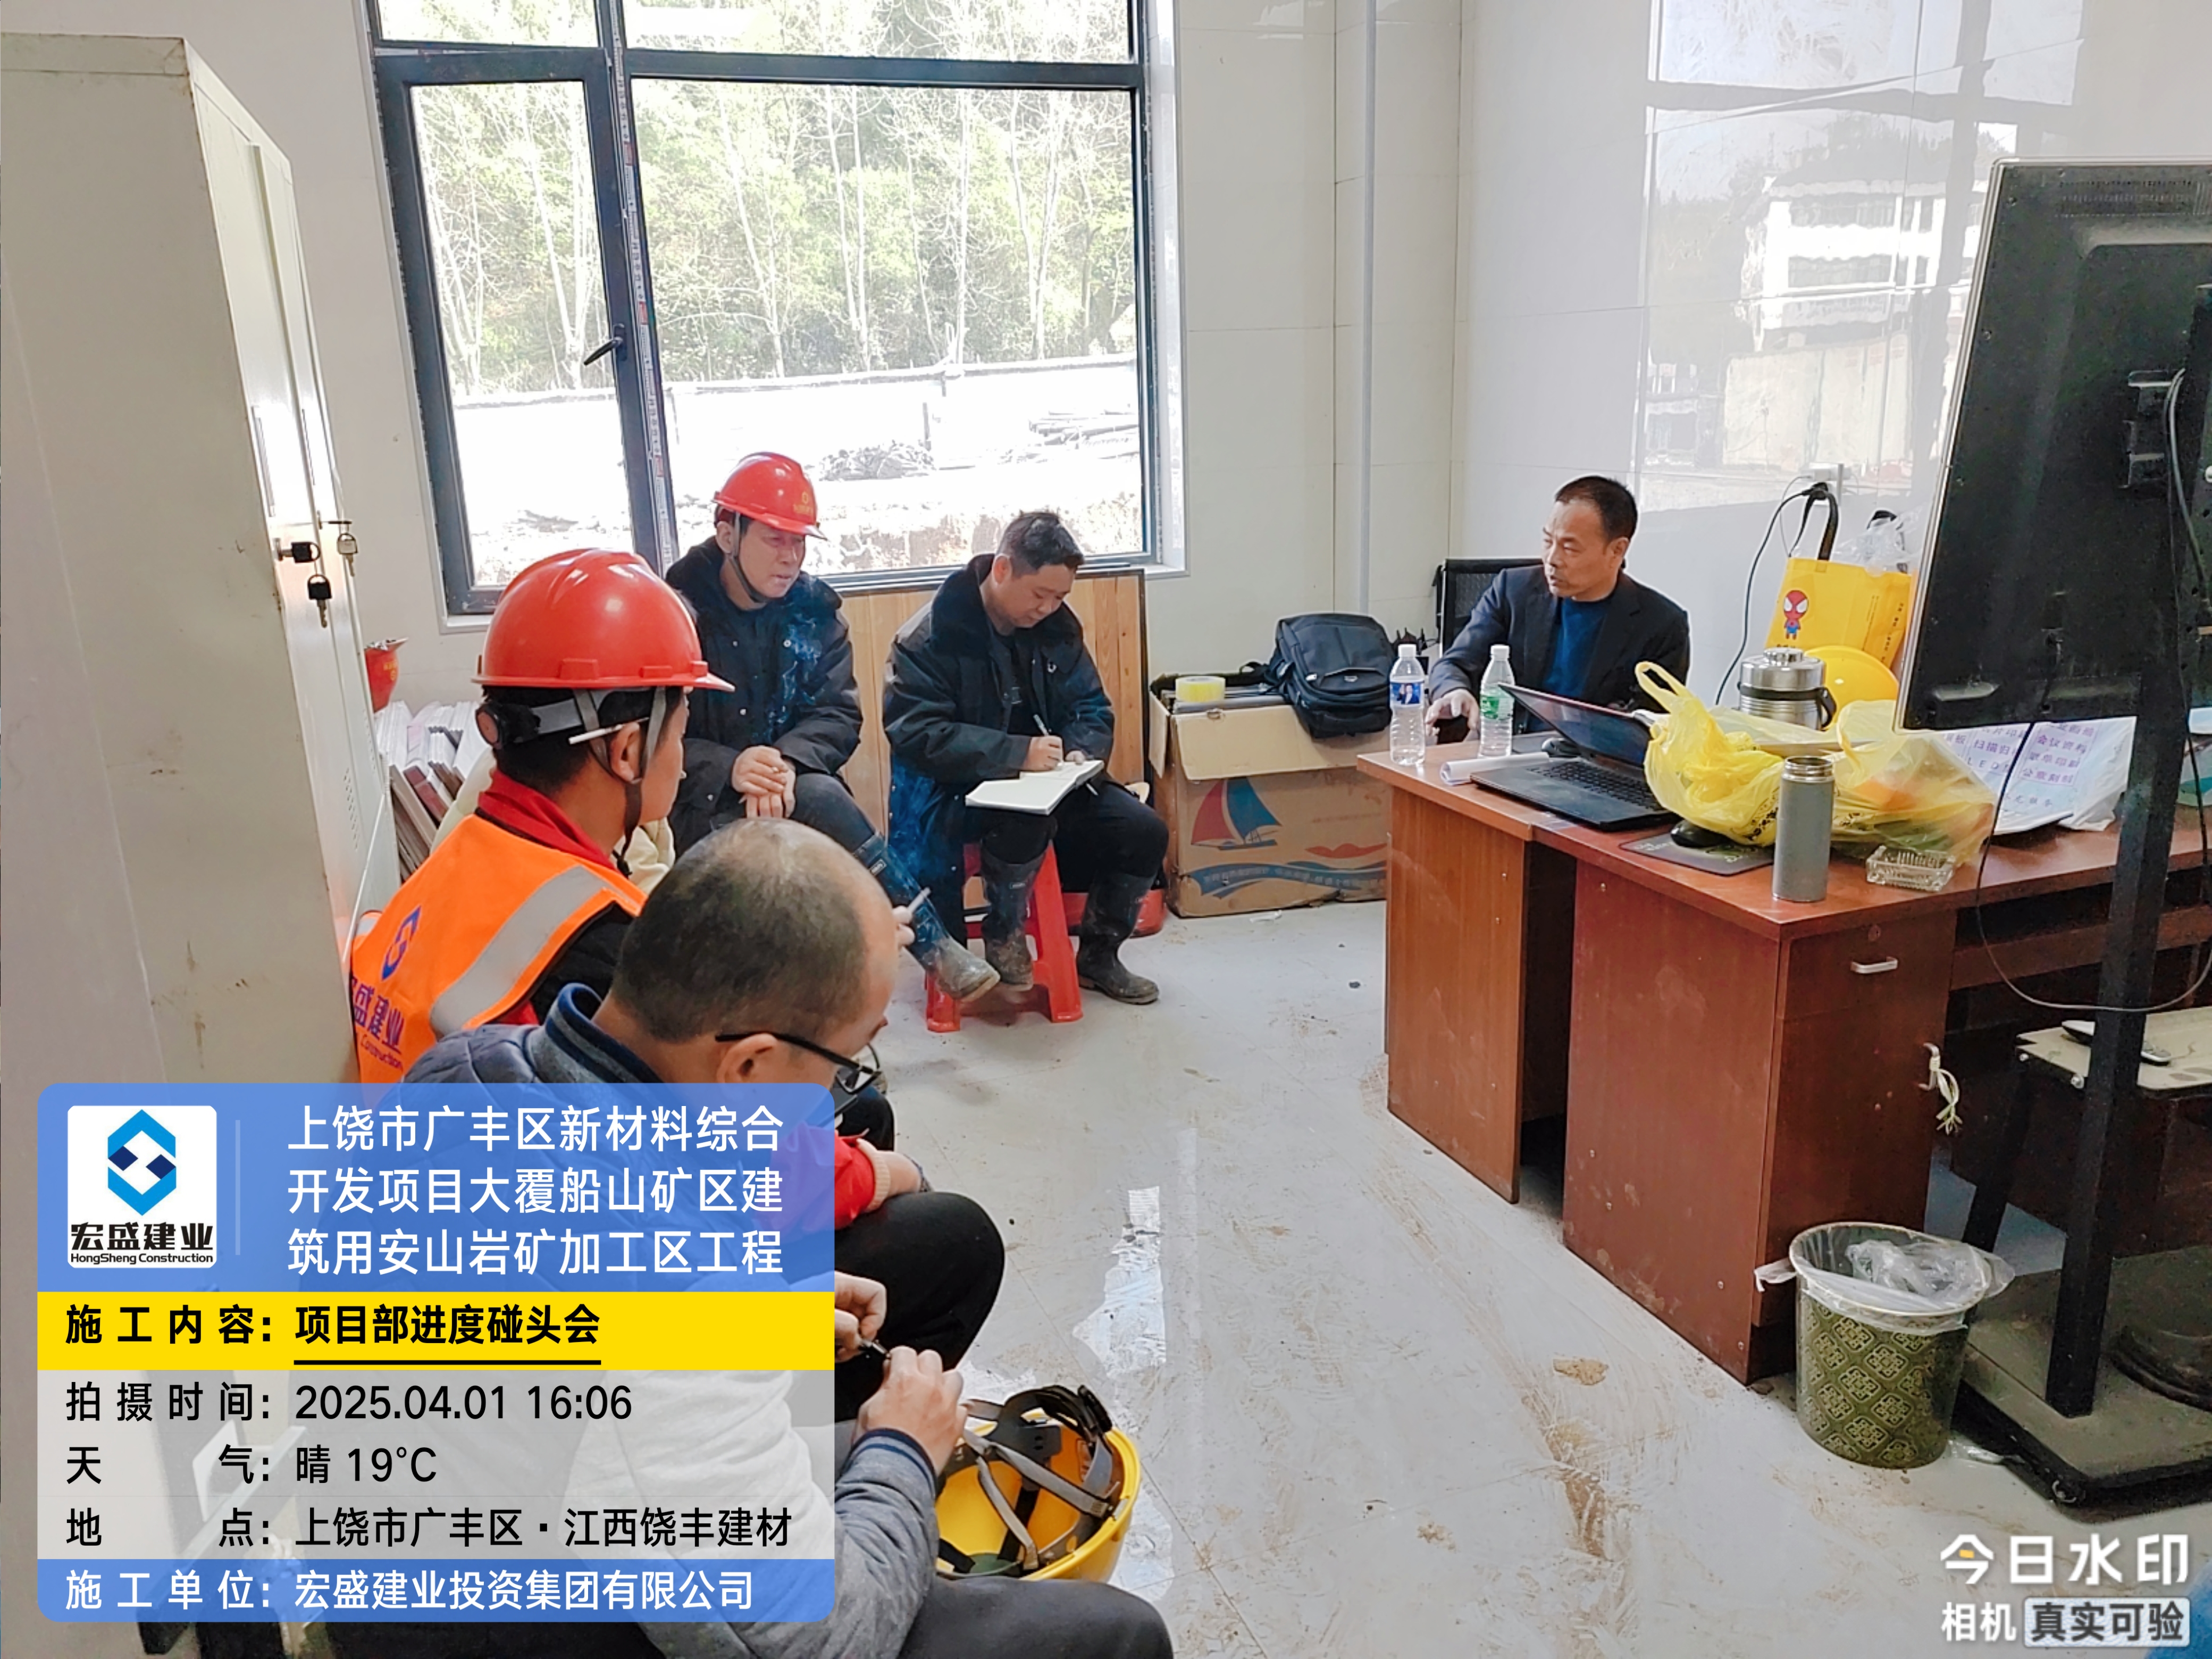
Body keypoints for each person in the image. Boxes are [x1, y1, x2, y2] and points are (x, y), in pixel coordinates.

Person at [365, 819, 1171, 1659]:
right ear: (748, 1066)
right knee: (1116, 1638)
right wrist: (901, 1452)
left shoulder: (470, 1065)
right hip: (503, 1625)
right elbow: (824, 1643)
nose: (833, 1098)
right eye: (840, 1066)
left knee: (946, 1249)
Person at [348, 548, 725, 1084]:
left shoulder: (463, 853)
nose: (683, 762)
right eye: (681, 734)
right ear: (627, 750)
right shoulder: (603, 951)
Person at [665, 451, 998, 1004]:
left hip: (797, 788)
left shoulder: (816, 614)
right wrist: (731, 767)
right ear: (727, 534)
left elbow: (838, 716)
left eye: (799, 541)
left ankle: (932, 946)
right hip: (702, 799)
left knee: (822, 799)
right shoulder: (675, 616)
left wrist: (782, 763)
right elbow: (652, 733)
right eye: (774, 539)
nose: (790, 556)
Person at [882, 512, 1168, 1006]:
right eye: (1040, 594)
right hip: (956, 793)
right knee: (1023, 823)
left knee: (1144, 831)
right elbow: (918, 733)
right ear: (1002, 569)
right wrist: (1017, 754)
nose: (1048, 607)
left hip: (1050, 783)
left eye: (1060, 596)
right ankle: (1004, 931)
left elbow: (1092, 707)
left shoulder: (1057, 629)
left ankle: (1099, 956)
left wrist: (1081, 750)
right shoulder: (928, 639)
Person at [1427, 475, 1690, 728]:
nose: (1552, 559)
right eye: (1548, 541)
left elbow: (1653, 726)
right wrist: (1454, 690)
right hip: (1507, 745)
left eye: (1570, 548)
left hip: (1592, 756)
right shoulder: (1514, 590)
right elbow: (1455, 663)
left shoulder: (1662, 625)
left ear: (1616, 550)